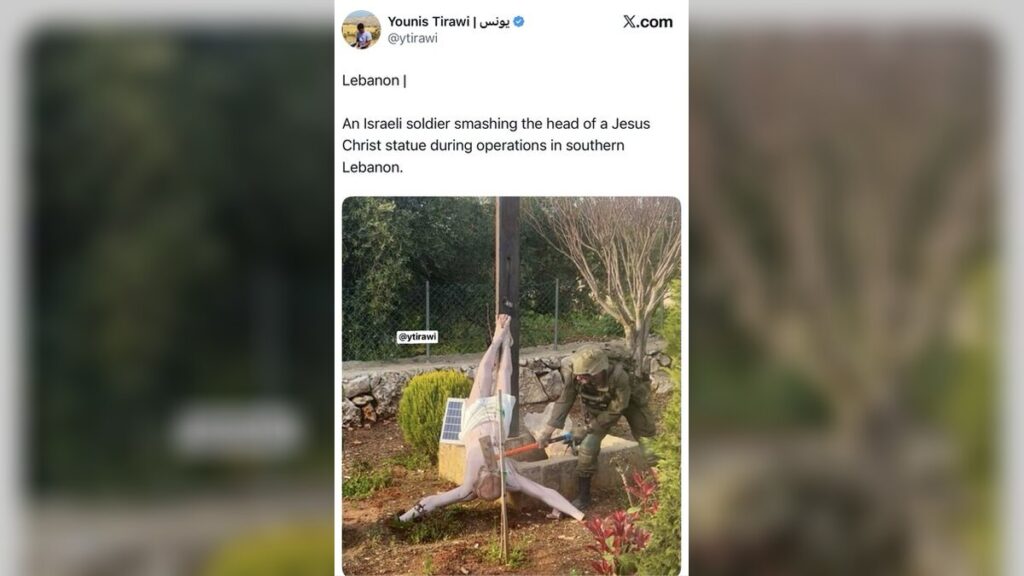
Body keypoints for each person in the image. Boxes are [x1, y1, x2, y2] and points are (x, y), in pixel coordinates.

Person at [398, 314, 584, 522]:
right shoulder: (510, 479)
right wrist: (579, 515)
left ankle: (499, 339)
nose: (489, 469)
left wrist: (403, 519)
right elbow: (546, 493)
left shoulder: (468, 487)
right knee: (504, 373)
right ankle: (504, 342)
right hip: (497, 419)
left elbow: (433, 501)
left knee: (486, 373)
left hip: (474, 420)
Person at [535, 347, 658, 510]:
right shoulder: (576, 376)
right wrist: (546, 433)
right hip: (600, 407)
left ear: (599, 371)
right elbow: (564, 401)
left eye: (585, 375)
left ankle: (663, 481)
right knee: (587, 447)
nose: (580, 378)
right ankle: (584, 497)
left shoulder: (619, 377)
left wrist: (586, 428)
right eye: (578, 375)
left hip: (629, 403)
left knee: (648, 442)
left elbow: (616, 410)